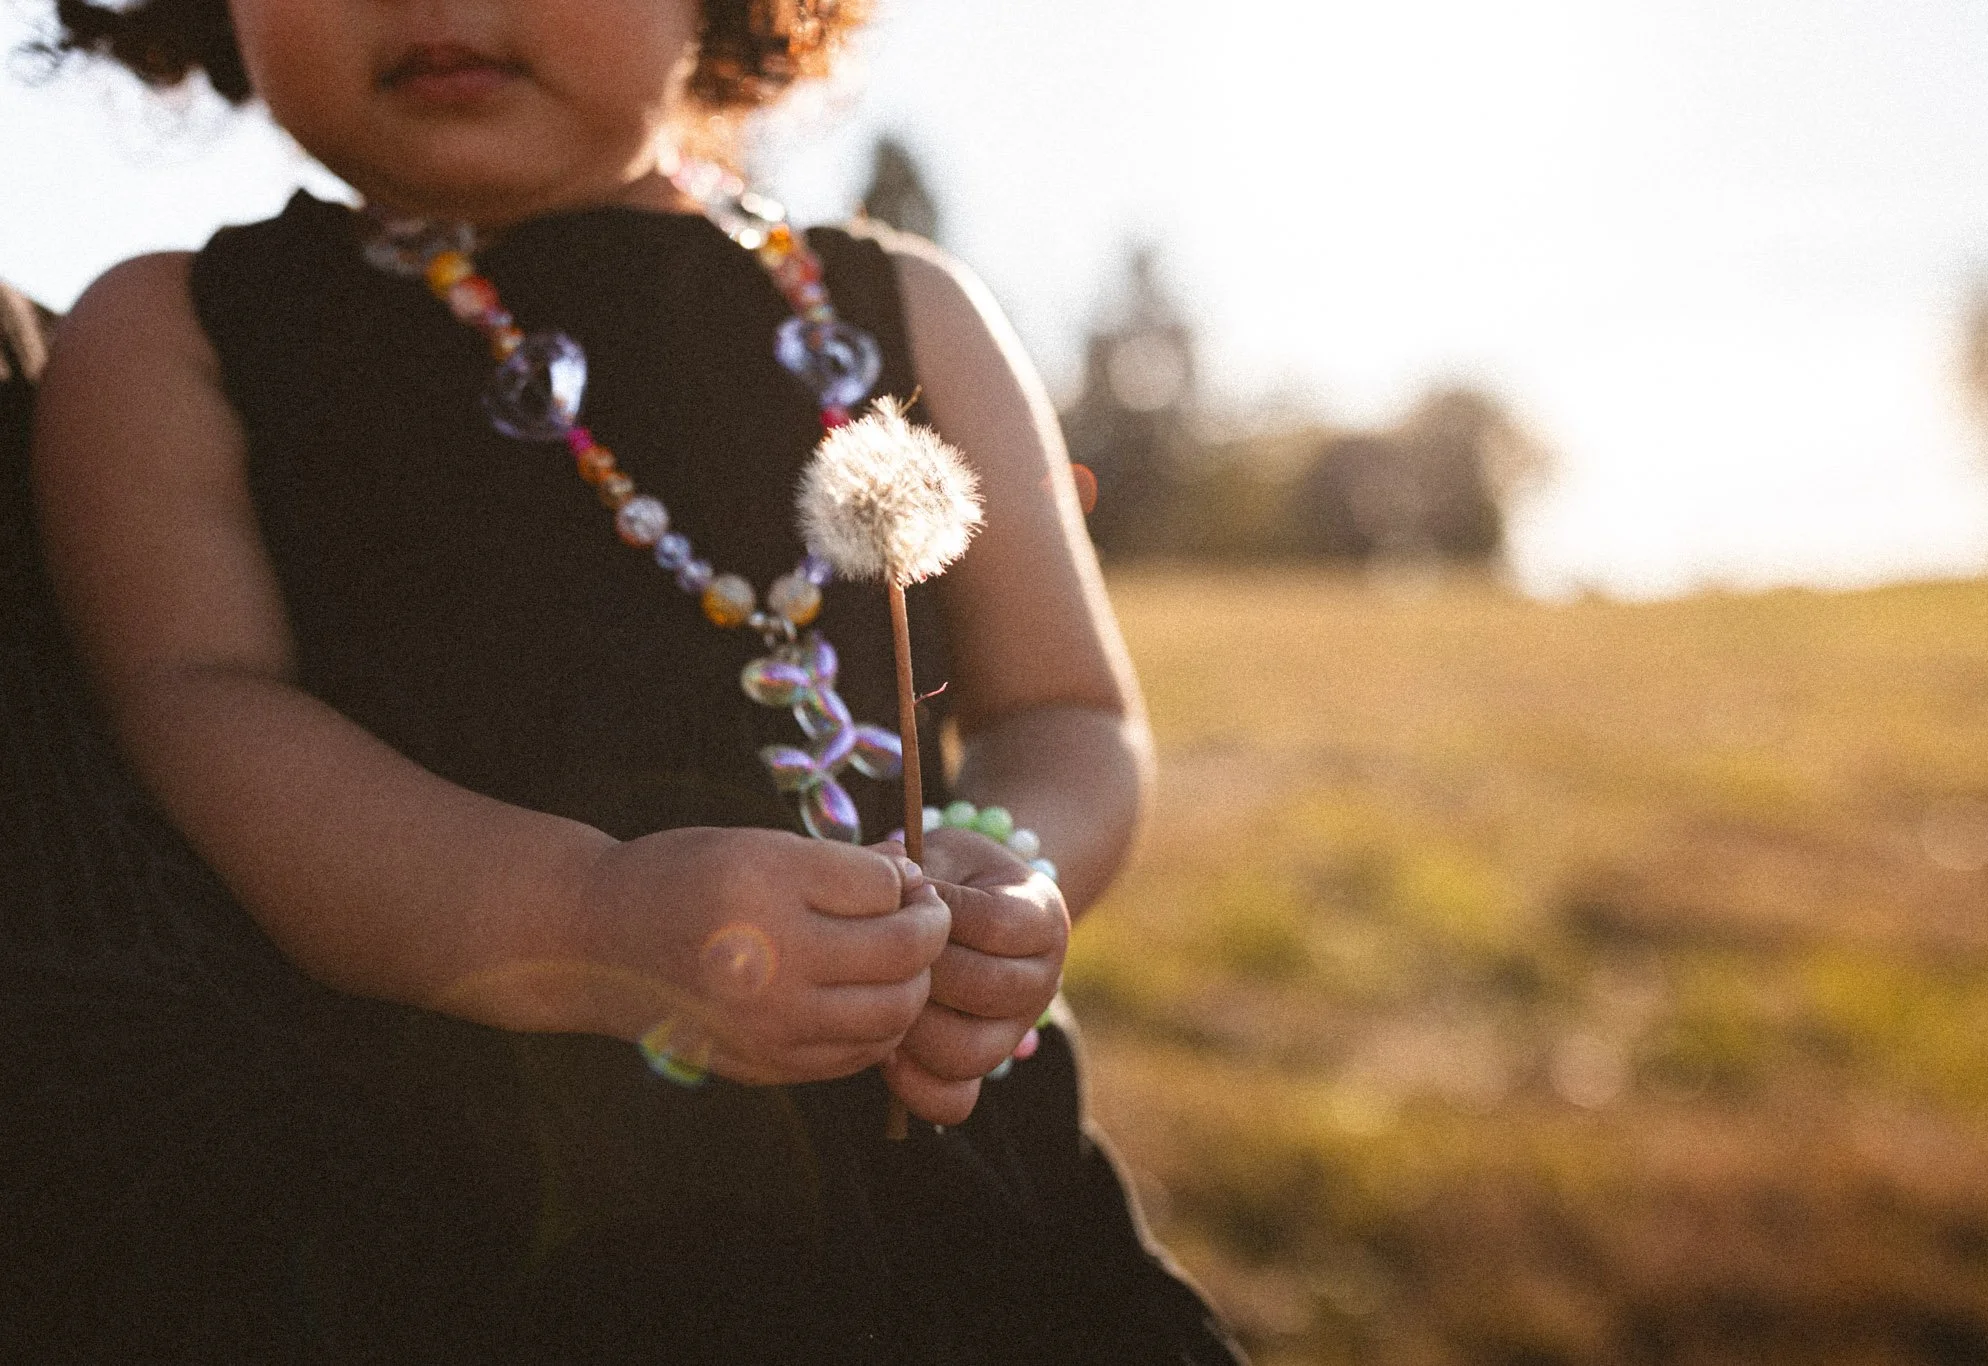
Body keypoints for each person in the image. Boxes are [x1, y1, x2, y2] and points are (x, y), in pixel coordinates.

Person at [25, 1, 1244, 1362]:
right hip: (474, 1227)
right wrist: (587, 918)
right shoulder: (176, 336)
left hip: (968, 1203)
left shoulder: (908, 310)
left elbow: (1065, 711)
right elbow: (204, 706)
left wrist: (1015, 871)